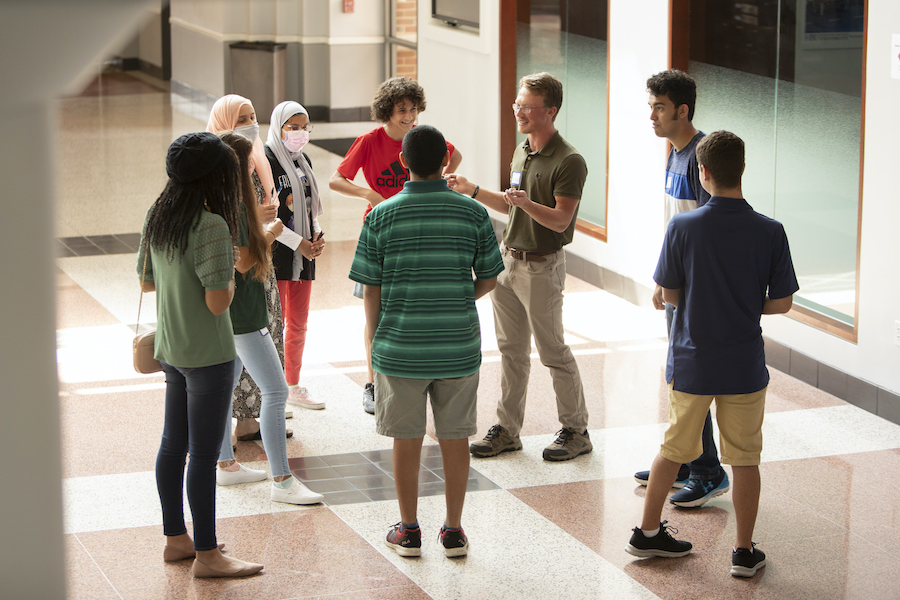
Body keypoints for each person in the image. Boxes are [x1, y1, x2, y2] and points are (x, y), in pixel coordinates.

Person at [625, 130, 798, 578]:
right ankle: (743, 552)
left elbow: (670, 294)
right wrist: (742, 302)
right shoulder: (770, 231)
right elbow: (781, 303)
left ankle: (646, 533)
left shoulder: (683, 226)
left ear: (702, 172)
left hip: (692, 361)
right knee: (744, 458)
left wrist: (701, 297)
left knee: (674, 448)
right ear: (742, 168)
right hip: (743, 365)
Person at [349, 124, 503, 558]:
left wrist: (376, 347)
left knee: (406, 440)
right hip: (457, 346)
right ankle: (453, 531)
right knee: (455, 439)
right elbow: (489, 278)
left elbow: (371, 291)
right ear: (445, 163)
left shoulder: (380, 216)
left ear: (402, 163)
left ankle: (410, 530)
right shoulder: (473, 213)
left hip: (399, 348)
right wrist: (459, 297)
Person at [137, 132, 263, 578]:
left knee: (174, 445)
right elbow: (217, 302)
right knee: (205, 456)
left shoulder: (160, 215)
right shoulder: (212, 226)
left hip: (171, 348)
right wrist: (227, 268)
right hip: (208, 354)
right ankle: (208, 555)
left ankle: (177, 540)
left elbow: (147, 281)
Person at [447, 72, 591, 462]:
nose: (519, 111)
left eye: (527, 106)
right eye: (517, 104)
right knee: (511, 351)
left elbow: (561, 220)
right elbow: (513, 203)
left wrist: (526, 204)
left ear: (551, 110)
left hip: (542, 268)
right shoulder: (522, 150)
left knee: (552, 351)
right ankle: (508, 430)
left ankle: (576, 430)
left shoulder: (569, 160)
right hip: (508, 261)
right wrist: (471, 189)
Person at [329, 77, 462, 415]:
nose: (409, 115)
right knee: (374, 311)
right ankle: (372, 382)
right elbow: (336, 179)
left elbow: (453, 154)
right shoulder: (370, 141)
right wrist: (369, 194)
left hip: (415, 229)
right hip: (381, 231)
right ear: (387, 111)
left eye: (413, 108)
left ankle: (408, 374)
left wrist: (439, 182)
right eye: (402, 109)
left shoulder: (421, 139)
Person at [633, 70, 730, 508]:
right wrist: (664, 276)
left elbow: (709, 230)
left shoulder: (699, 157)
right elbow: (678, 226)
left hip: (696, 291)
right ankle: (687, 459)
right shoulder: (674, 153)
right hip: (679, 285)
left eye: (659, 107)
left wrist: (674, 281)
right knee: (679, 376)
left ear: (682, 111)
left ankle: (709, 471)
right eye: (651, 105)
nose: (651, 115)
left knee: (690, 378)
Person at [213, 132, 324, 505]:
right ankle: (283, 481)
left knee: (225, 387)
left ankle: (225, 465)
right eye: (247, 164)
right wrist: (274, 230)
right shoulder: (238, 206)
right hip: (244, 314)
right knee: (276, 392)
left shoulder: (216, 201)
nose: (252, 170)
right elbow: (245, 261)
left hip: (225, 314)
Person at [206, 94, 290, 442]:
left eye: (253, 116)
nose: (251, 124)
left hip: (260, 268)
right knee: (261, 374)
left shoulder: (256, 160)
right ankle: (276, 472)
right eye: (241, 119)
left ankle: (239, 436)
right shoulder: (221, 171)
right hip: (245, 272)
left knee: (249, 354)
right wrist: (267, 228)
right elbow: (236, 229)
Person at [265, 101, 326, 409]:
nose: (301, 133)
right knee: (275, 323)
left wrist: (315, 236)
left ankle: (292, 385)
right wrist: (299, 243)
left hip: (304, 256)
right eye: (294, 127)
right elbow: (266, 217)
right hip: (279, 253)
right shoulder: (265, 161)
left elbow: (310, 204)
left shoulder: (304, 161)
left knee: (299, 323)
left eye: (305, 127)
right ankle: (272, 391)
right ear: (279, 127)